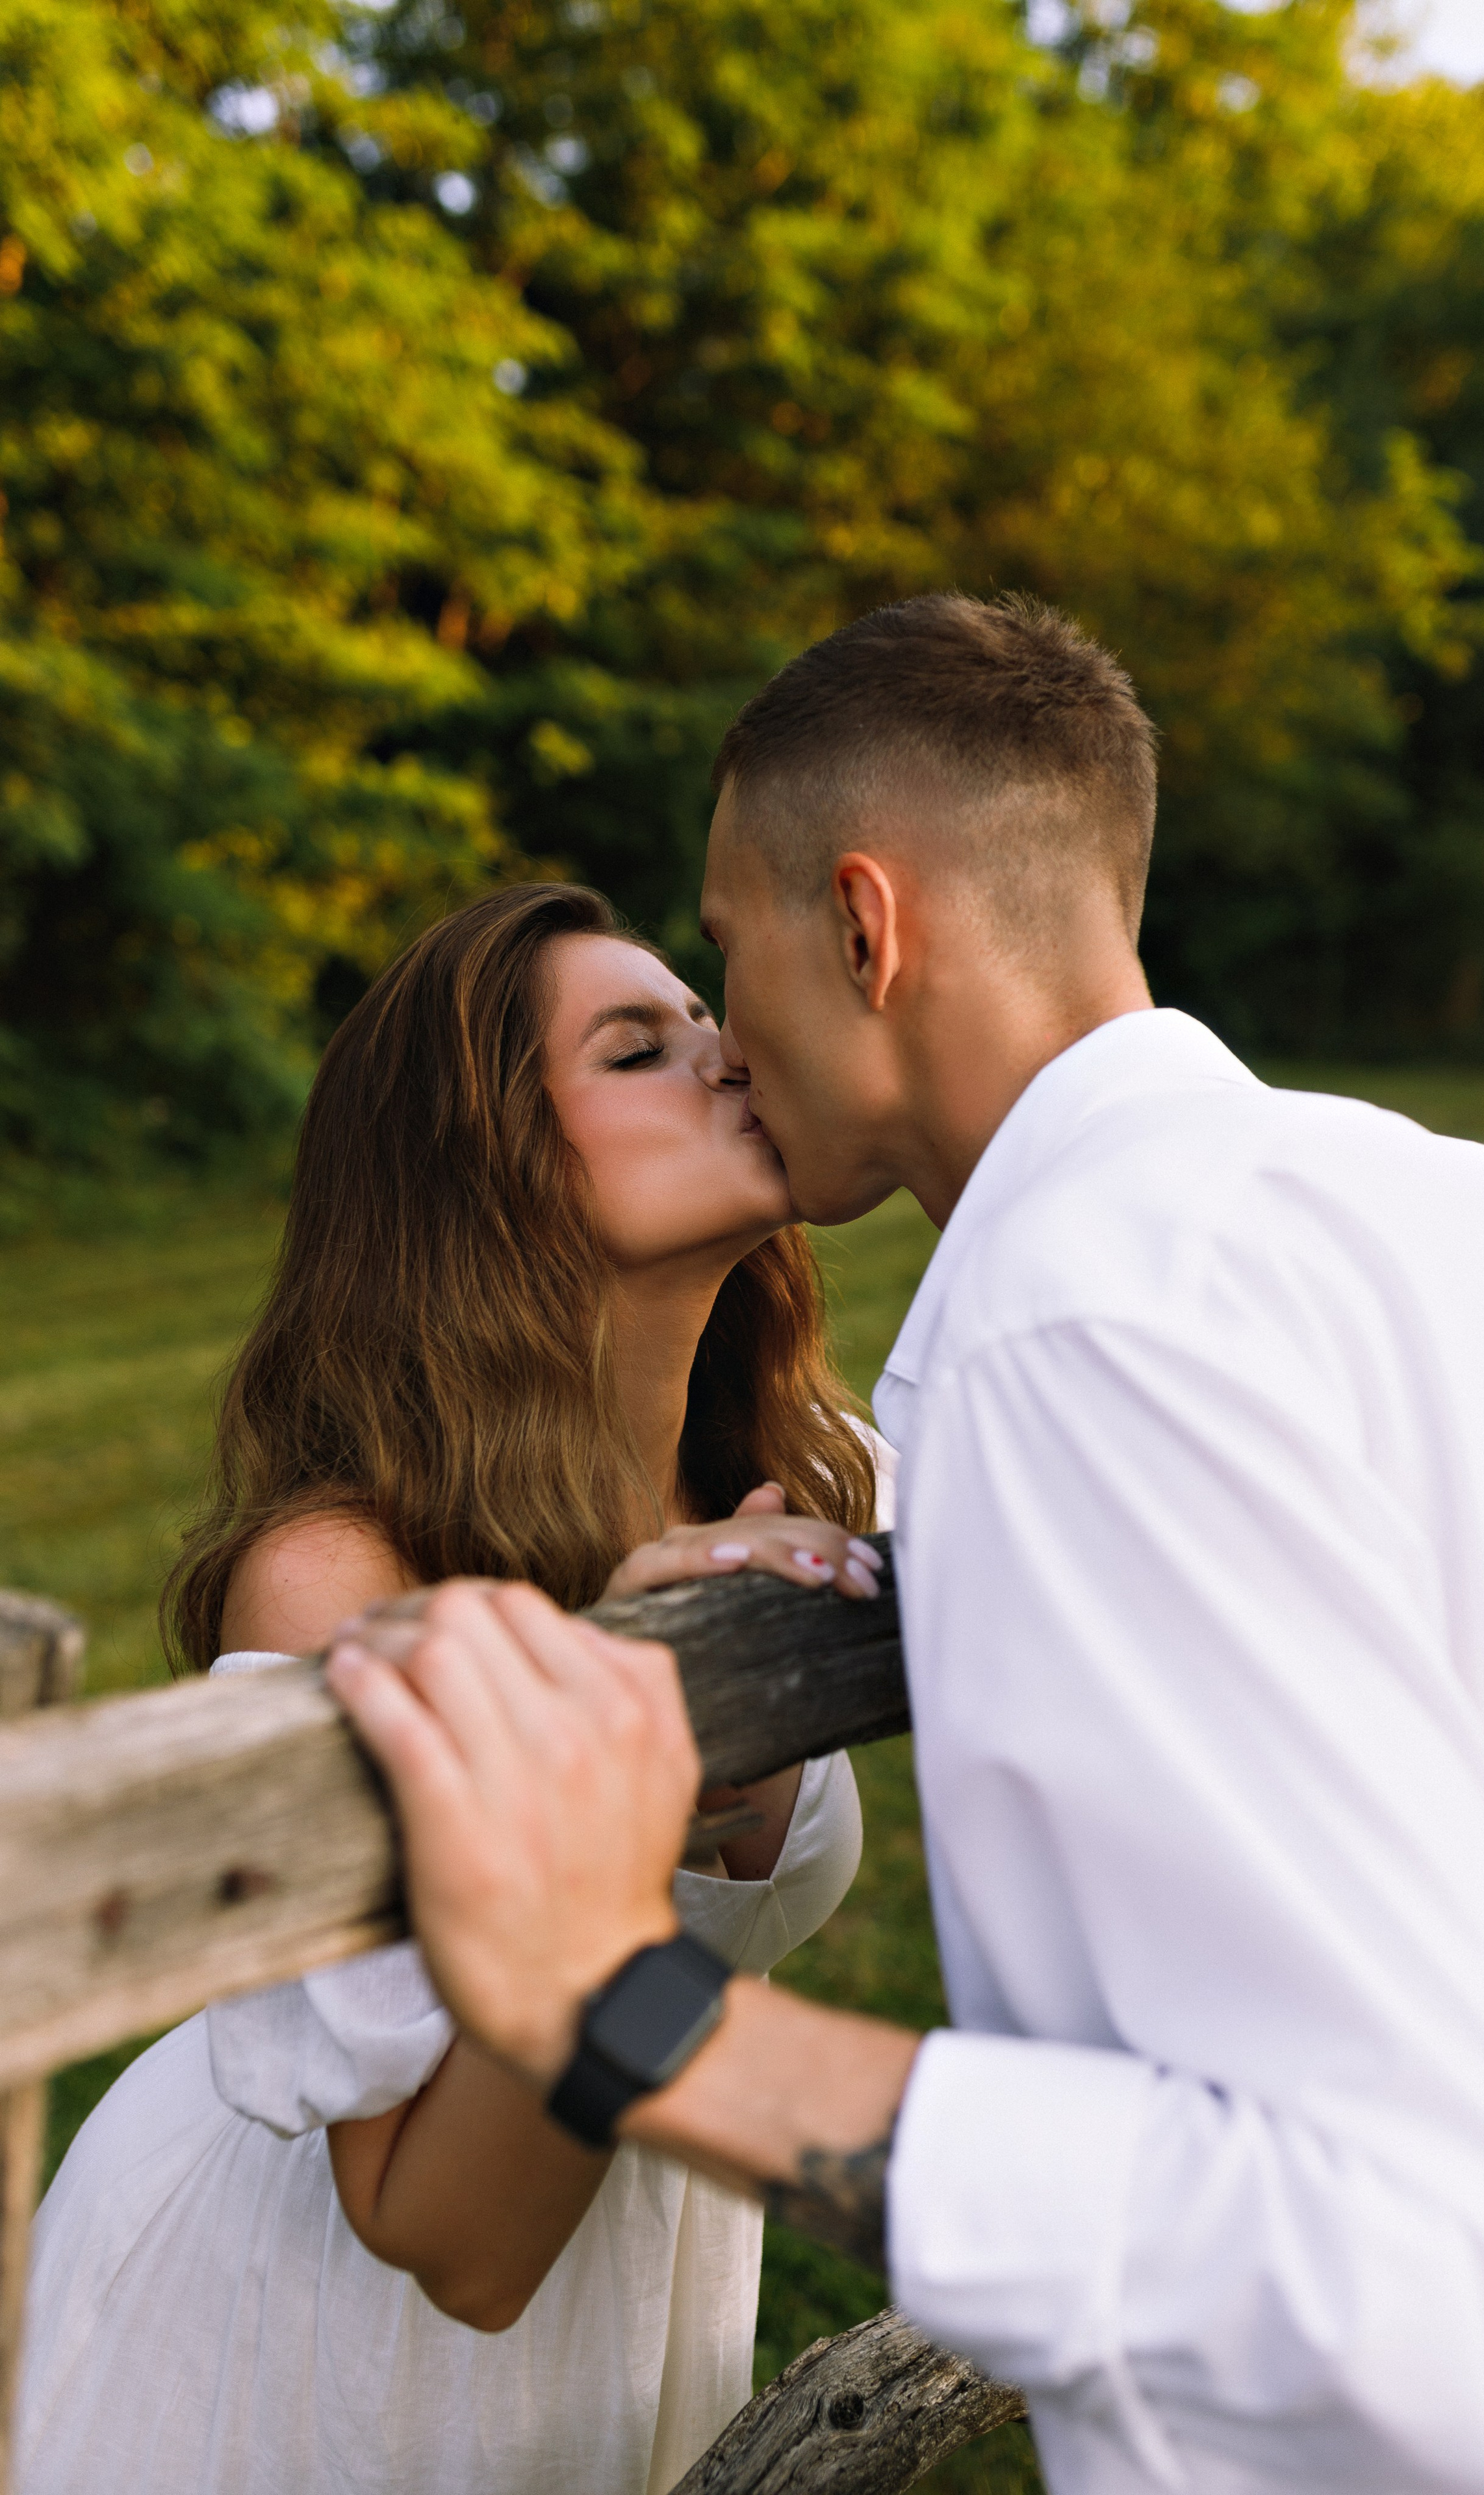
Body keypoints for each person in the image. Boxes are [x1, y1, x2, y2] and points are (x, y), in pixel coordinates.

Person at [327, 593, 1484, 2495]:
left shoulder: (1081, 1327)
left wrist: (628, 2007)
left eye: (729, 950)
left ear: (863, 929)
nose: (729, 1036)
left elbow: (1410, 2292)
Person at [19, 883, 893, 2495]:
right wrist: (630, 1755)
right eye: (639, 1049)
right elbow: (455, 2243)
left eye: (709, 1023)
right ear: (482, 1170)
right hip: (315, 2351)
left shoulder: (793, 1493)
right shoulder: (346, 1577)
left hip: (630, 2287)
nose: (730, 1056)